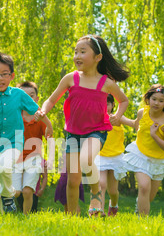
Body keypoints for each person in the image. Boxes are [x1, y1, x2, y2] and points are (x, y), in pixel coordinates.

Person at [36, 34, 129, 216]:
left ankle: (95, 195)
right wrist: (43, 110)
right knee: (73, 181)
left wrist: (117, 115)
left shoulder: (106, 83)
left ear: (97, 57)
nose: (77, 56)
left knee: (87, 160)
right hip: (73, 133)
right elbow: (52, 99)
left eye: (83, 52)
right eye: (75, 52)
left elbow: (123, 101)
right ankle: (72, 217)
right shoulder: (71, 78)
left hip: (97, 131)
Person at [0, 53, 53, 215]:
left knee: (4, 166)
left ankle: (8, 194)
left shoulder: (18, 94)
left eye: (4, 74)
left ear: (12, 76)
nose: (0, 78)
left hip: (14, 144)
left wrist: (48, 125)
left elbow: (37, 111)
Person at [122, 84, 164, 216]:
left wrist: (154, 135)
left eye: (161, 101)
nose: (156, 103)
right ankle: (142, 223)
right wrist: (121, 119)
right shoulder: (142, 112)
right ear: (148, 99)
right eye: (154, 99)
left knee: (149, 197)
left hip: (159, 160)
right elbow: (137, 126)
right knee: (144, 187)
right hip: (141, 154)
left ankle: (138, 209)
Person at [12, 81, 53, 214]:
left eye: (31, 95)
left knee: (27, 190)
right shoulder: (14, 117)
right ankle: (8, 209)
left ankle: (25, 217)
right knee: (16, 192)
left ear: (37, 99)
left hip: (33, 160)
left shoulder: (40, 119)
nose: (28, 99)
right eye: (24, 95)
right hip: (15, 160)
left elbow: (49, 137)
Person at [94, 94, 128, 216]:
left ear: (113, 105)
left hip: (115, 157)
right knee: (101, 183)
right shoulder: (96, 118)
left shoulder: (117, 118)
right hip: (100, 155)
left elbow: (133, 123)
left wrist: (140, 121)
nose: (104, 107)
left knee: (113, 191)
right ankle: (100, 210)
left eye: (107, 104)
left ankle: (113, 204)